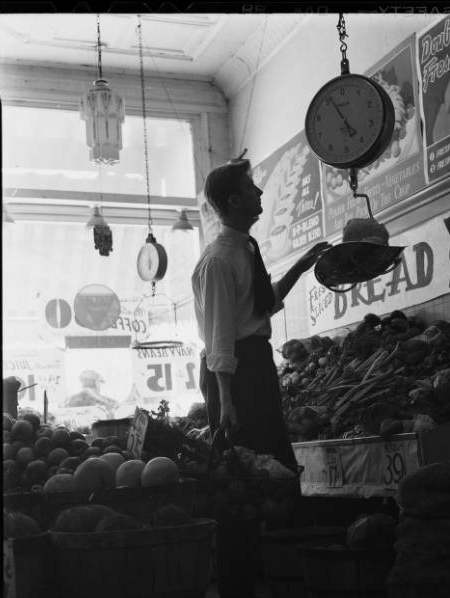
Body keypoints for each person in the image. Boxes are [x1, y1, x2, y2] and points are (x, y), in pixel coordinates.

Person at [192, 158, 330, 598]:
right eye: (252, 188)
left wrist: (303, 265)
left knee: (268, 482)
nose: (261, 194)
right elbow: (219, 338)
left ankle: (256, 581)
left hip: (254, 366)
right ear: (233, 200)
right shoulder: (218, 259)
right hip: (233, 375)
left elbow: (262, 306)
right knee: (241, 487)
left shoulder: (245, 249)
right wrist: (226, 400)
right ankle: (237, 587)